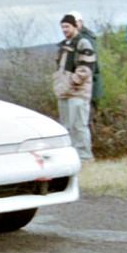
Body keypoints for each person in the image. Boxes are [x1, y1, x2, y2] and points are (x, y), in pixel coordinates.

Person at [54, 14, 95, 161]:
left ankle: (85, 157)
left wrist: (73, 81)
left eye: (67, 26)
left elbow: (86, 68)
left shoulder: (83, 43)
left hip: (78, 93)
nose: (64, 29)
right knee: (66, 127)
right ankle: (71, 157)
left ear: (75, 26)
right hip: (64, 92)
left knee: (79, 126)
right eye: (63, 27)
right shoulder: (64, 45)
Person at [68, 11, 103, 110]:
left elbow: (88, 62)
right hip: (82, 80)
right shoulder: (75, 37)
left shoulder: (86, 38)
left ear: (80, 22)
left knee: (87, 111)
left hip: (88, 79)